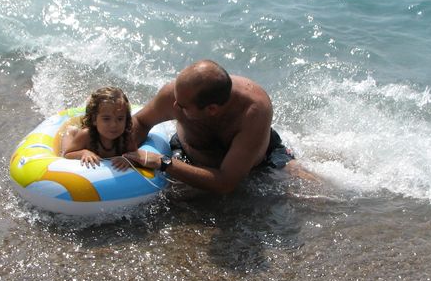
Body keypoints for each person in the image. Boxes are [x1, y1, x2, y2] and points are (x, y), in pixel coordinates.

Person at [124, 60, 309, 194]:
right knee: (176, 198)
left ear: (212, 109)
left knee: (308, 191)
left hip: (259, 162)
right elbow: (141, 121)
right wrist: (119, 148)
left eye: (182, 106)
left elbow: (226, 183)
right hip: (189, 153)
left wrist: (163, 162)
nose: (174, 107)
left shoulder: (253, 111)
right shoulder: (175, 95)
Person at [63, 87, 138, 169]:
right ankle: (72, 131)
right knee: (71, 135)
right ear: (94, 119)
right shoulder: (86, 135)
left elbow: (136, 157)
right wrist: (83, 153)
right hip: (79, 138)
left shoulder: (126, 138)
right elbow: (67, 154)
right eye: (106, 119)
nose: (114, 124)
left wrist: (128, 160)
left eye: (120, 119)